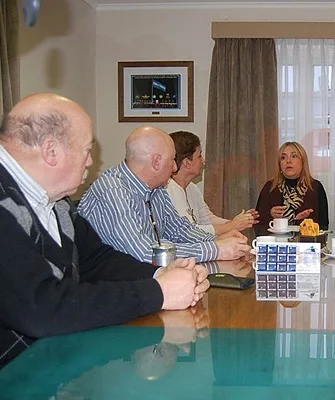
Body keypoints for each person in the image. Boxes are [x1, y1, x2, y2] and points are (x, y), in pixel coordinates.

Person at [0, 93, 209, 368]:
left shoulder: (55, 201)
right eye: (87, 150)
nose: (90, 162)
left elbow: (96, 259)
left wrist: (161, 274)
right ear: (51, 151)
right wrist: (158, 292)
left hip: (51, 362)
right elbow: (42, 308)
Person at [78, 126, 250, 264]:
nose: (175, 168)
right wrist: (217, 249)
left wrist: (217, 239)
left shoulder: (156, 188)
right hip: (107, 288)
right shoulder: (113, 191)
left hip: (137, 281)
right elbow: (145, 254)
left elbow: (180, 231)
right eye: (172, 160)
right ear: (156, 162)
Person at [166, 130, 259, 235]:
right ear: (187, 163)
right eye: (199, 156)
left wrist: (239, 221)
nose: (203, 161)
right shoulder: (168, 191)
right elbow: (189, 233)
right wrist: (232, 225)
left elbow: (207, 219)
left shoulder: (192, 188)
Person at [255, 141, 329, 230]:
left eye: (294, 156)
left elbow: (323, 226)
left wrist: (305, 221)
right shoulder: (270, 188)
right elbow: (257, 224)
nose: (288, 161)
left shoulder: (315, 187)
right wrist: (271, 216)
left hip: (306, 242)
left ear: (303, 162)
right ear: (279, 165)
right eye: (283, 158)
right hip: (275, 242)